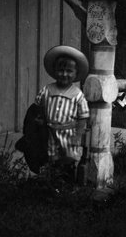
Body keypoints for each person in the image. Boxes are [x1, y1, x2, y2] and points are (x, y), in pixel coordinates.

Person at [34, 45, 90, 180]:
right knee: (52, 158)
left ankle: (68, 183)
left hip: (69, 133)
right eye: (61, 70)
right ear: (55, 71)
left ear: (76, 73)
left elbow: (83, 117)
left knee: (68, 159)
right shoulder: (47, 90)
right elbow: (38, 105)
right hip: (50, 132)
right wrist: (40, 117)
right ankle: (54, 183)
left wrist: (78, 135)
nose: (64, 74)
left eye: (69, 71)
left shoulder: (77, 94)